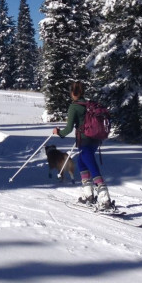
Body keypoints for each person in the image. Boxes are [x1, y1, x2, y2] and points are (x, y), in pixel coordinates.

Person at [52, 81, 114, 210]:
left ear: (72, 93)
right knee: (81, 162)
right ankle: (88, 195)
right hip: (95, 140)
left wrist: (58, 132)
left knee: (90, 164)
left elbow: (68, 128)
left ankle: (104, 198)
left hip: (84, 140)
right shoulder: (89, 104)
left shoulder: (74, 107)